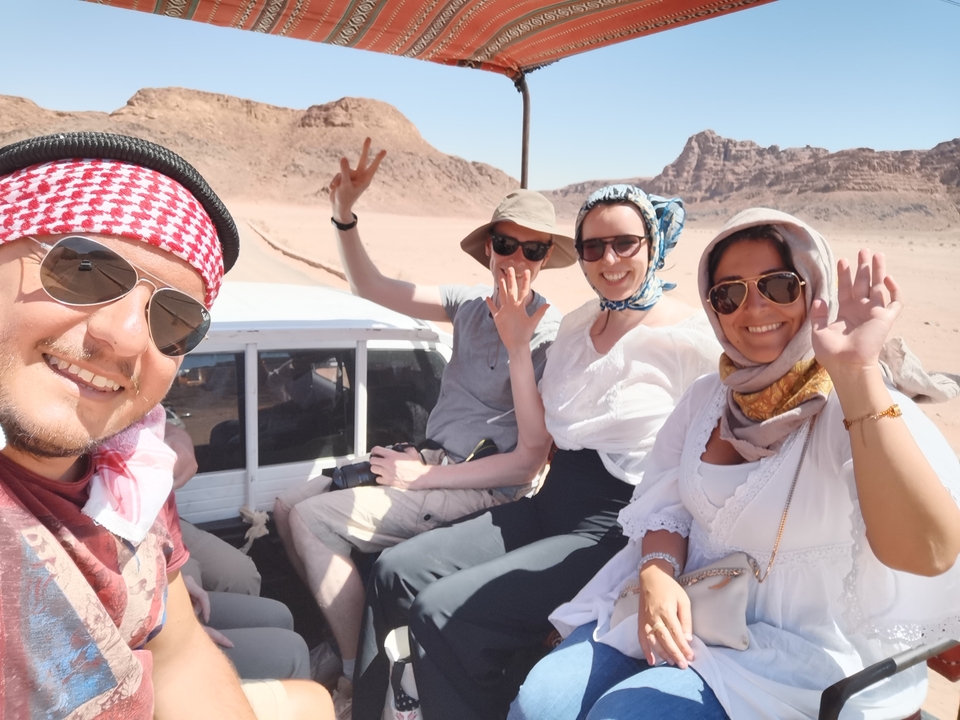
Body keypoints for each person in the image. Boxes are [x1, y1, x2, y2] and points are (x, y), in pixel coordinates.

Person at [511, 209, 960, 720]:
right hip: (688, 609)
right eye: (730, 293)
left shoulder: (849, 404)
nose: (754, 308)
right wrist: (657, 572)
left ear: (813, 290)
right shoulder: (707, 397)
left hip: (796, 657)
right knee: (540, 704)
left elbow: (927, 551)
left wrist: (856, 373)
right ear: (714, 308)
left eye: (778, 285)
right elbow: (666, 502)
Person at [352, 184, 723, 720]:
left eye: (624, 243)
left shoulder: (691, 338)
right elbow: (533, 446)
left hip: (613, 531)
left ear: (653, 242)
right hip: (549, 504)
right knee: (393, 570)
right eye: (593, 248)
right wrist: (517, 345)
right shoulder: (575, 327)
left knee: (441, 612)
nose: (609, 260)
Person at [0, 131, 331, 720]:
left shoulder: (126, 469)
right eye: (83, 269)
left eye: (174, 319)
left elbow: (177, 659)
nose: (127, 338)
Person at [272, 138, 572, 693]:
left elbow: (524, 468)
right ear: (488, 249)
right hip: (436, 459)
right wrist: (344, 216)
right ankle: (345, 629)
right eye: (506, 244)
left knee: (313, 522)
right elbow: (372, 287)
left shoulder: (548, 338)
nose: (516, 259)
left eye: (532, 251)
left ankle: (350, 673)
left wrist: (426, 476)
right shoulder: (467, 304)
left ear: (546, 259)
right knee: (287, 504)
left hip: (481, 484)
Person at [164, 422, 311, 682]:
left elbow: (157, 423)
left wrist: (178, 438)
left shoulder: (135, 406)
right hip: (132, 535)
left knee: (241, 575)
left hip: (164, 517)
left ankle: (241, 672)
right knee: (191, 582)